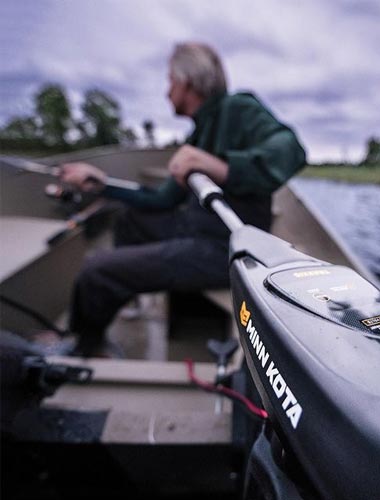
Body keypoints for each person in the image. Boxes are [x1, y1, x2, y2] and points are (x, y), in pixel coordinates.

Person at [60, 42, 306, 357]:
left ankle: (86, 346)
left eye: (170, 82)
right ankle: (127, 295)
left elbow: (292, 149)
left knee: (97, 270)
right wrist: (102, 184)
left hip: (223, 247)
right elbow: (160, 200)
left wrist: (220, 167)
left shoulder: (239, 109)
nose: (167, 91)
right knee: (127, 219)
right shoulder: (197, 134)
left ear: (188, 82)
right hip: (190, 227)